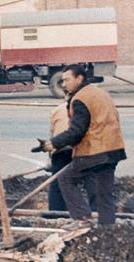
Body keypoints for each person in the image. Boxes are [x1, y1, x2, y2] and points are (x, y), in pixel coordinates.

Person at [39, 63, 126, 235]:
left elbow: (76, 131)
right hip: (113, 150)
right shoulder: (101, 93)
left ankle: (81, 219)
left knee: (65, 178)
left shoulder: (80, 99)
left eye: (67, 80)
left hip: (94, 152)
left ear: (79, 78)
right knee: (105, 194)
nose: (64, 84)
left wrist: (52, 143)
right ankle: (107, 231)